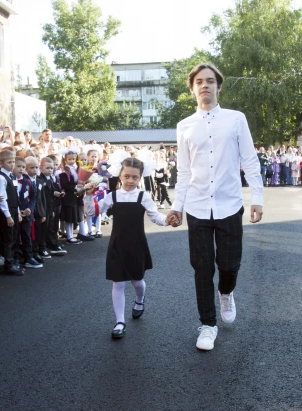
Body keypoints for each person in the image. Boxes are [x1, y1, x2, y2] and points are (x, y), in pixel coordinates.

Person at [166, 63, 263, 351]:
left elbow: (249, 160)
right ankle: (208, 325)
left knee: (230, 265)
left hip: (230, 204)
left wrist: (256, 198)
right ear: (192, 88)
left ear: (218, 86)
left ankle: (226, 291)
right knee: (202, 268)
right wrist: (177, 206)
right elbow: (183, 172)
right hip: (197, 207)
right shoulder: (184, 126)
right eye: (199, 82)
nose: (205, 85)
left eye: (210, 81)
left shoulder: (235, 119)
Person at [101, 157, 175, 339]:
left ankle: (140, 300)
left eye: (134, 177)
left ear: (140, 178)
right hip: (117, 245)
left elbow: (155, 216)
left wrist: (167, 220)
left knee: (137, 281)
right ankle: (120, 322)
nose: (130, 181)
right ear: (120, 175)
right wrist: (86, 195)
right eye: (126, 176)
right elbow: (93, 211)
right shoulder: (112, 196)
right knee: (118, 282)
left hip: (136, 245)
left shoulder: (144, 196)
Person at [0, 150, 25, 275]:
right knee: (8, 239)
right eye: (9, 162)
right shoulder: (0, 177)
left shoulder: (12, 176)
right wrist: (8, 215)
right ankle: (8, 264)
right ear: (1, 163)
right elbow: (3, 198)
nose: (12, 165)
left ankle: (13, 261)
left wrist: (17, 212)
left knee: (14, 236)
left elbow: (15, 196)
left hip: (13, 209)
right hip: (6, 212)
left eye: (13, 162)